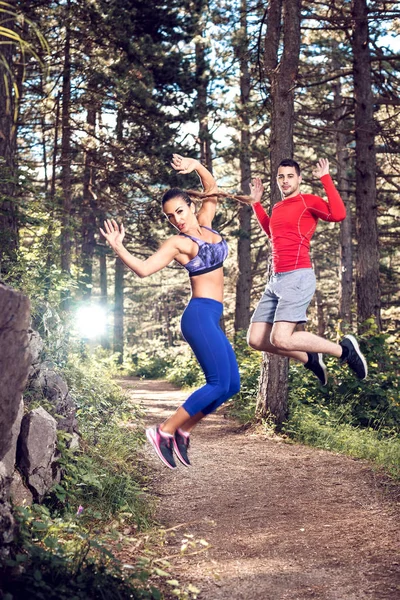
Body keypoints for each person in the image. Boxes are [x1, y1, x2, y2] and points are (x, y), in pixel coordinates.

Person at [100, 154, 240, 469]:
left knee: (232, 385)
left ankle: (184, 432)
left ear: (191, 205)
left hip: (212, 318)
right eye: (170, 216)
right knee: (217, 382)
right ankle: (163, 430)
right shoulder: (179, 242)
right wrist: (119, 247)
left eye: (179, 211)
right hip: (198, 316)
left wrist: (196, 166)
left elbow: (212, 187)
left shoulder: (206, 222)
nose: (176, 219)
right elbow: (144, 270)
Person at [246, 157, 367, 384]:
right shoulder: (278, 206)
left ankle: (345, 351)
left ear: (299, 178)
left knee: (280, 338)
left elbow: (338, 215)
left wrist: (325, 179)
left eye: (290, 176)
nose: (285, 181)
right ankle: (310, 359)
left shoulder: (307, 201)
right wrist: (256, 203)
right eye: (281, 176)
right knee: (255, 339)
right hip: (275, 281)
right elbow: (273, 235)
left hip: (297, 276)